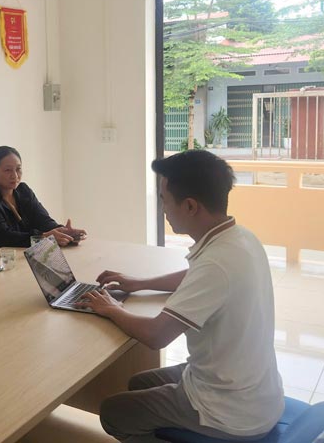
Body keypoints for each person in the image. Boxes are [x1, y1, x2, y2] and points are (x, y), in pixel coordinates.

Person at [77, 150, 283, 442]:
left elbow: (156, 335)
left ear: (189, 206)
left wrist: (111, 308)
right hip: (255, 390)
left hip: (231, 410)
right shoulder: (240, 238)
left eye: (164, 199)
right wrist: (138, 283)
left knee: (113, 411)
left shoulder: (216, 263)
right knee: (139, 381)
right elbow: (197, 277)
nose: (162, 208)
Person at [0, 146, 86, 252]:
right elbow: (4, 237)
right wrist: (43, 237)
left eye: (18, 169)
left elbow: (43, 220)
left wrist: (62, 231)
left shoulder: (24, 191)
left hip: (24, 254)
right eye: (8, 170)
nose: (15, 175)